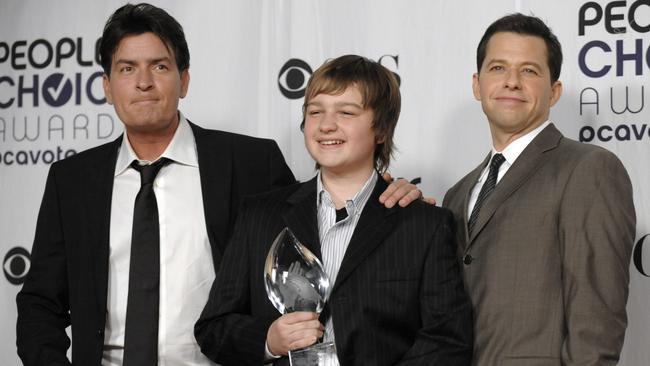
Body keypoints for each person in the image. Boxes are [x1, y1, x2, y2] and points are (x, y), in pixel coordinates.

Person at [15, 4, 420, 366]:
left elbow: (323, 222)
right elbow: (40, 302)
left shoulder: (250, 163)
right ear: (106, 86)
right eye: (126, 68)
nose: (143, 82)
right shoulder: (73, 180)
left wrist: (387, 196)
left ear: (184, 80)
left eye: (159, 66)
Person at [195, 55, 473, 366]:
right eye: (315, 112)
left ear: (381, 129)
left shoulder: (424, 224)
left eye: (346, 112)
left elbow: (447, 339)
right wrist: (269, 340)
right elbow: (213, 329)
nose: (327, 125)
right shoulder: (259, 215)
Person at [442, 13, 636, 366]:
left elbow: (597, 321)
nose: (511, 82)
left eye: (529, 70)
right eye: (498, 68)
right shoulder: (458, 193)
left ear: (554, 91)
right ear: (477, 84)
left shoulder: (588, 169)